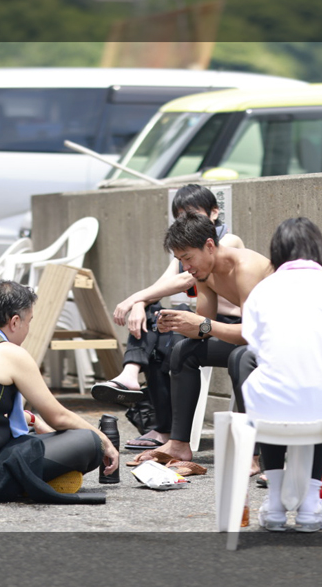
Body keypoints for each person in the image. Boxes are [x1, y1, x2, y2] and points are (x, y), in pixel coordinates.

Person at [0, 280, 120, 504]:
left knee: (38, 436)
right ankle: (29, 483)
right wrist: (104, 440)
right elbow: (58, 417)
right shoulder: (8, 352)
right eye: (29, 321)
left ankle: (29, 479)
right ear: (15, 322)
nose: (28, 329)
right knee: (88, 441)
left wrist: (32, 419)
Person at [237, 217, 322, 531]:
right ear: (319, 250)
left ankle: (276, 503)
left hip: (267, 408)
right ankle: (309, 505)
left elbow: (254, 346)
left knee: (270, 398)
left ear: (276, 252)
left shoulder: (261, 292)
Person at [94, 184, 244, 451]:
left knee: (165, 333)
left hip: (233, 325)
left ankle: (162, 423)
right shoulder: (188, 255)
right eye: (180, 215)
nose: (186, 220)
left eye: (193, 213)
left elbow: (184, 280)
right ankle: (160, 420)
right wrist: (140, 303)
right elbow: (166, 284)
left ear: (213, 213)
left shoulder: (226, 242)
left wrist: (135, 298)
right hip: (206, 322)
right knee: (157, 324)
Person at [130, 211, 273, 466]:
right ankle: (179, 444)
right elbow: (203, 329)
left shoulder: (246, 267)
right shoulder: (204, 273)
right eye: (180, 260)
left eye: (188, 257)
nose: (186, 267)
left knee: (241, 357)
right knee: (183, 350)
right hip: (255, 341)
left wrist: (203, 324)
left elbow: (253, 334)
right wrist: (175, 325)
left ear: (209, 245)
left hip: (281, 343)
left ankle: (253, 452)